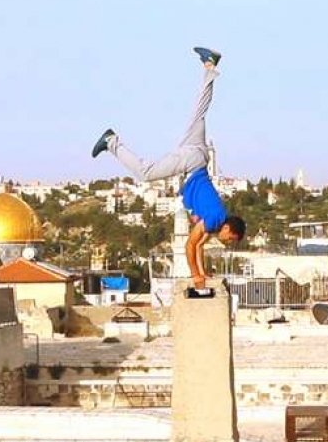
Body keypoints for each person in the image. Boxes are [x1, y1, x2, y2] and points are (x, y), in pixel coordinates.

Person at [91, 47, 246, 289]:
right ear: (227, 228)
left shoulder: (215, 221)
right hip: (193, 163)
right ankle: (111, 141)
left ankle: (209, 67)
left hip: (199, 156)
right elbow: (189, 246)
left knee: (199, 113)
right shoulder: (216, 218)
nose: (228, 242)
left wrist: (203, 273)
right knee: (146, 172)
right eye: (231, 238)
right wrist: (197, 278)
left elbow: (199, 244)